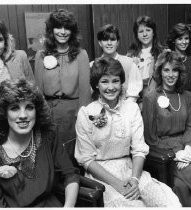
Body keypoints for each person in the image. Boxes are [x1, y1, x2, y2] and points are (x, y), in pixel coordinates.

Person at [74, 56, 181, 207]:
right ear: (96, 84)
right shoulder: (86, 114)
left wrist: (135, 180)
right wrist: (117, 184)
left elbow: (139, 150)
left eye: (115, 81)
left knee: (168, 203)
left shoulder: (132, 109)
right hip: (102, 176)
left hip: (131, 169)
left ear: (121, 82)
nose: (111, 87)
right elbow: (86, 159)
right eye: (104, 81)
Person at [142, 50, 191, 207]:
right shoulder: (150, 98)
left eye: (175, 70)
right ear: (160, 72)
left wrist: (186, 150)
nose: (171, 74)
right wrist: (175, 154)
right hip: (165, 153)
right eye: (166, 70)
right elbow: (150, 138)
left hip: (190, 148)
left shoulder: (186, 96)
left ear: (180, 73)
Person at [0, 79, 79, 207]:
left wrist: (68, 207)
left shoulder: (48, 136)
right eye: (14, 108)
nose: (23, 115)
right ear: (4, 113)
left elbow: (70, 175)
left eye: (29, 107)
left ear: (37, 110)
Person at [34, 9, 91, 144]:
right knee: (50, 152)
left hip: (73, 113)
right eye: (58, 27)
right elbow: (38, 91)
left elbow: (85, 91)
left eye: (67, 28)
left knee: (72, 153)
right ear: (51, 30)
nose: (63, 32)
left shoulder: (81, 54)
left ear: (73, 31)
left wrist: (81, 117)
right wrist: (41, 117)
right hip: (49, 112)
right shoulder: (40, 55)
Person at [90, 24, 143, 102]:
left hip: (125, 109)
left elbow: (133, 94)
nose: (109, 43)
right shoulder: (92, 65)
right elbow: (92, 93)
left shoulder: (129, 63)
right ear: (100, 43)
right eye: (105, 40)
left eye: (112, 39)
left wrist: (124, 110)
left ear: (117, 42)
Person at [166, 23, 191, 110]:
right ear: (174, 40)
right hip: (172, 104)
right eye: (180, 39)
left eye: (186, 38)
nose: (184, 42)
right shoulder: (168, 58)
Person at [127, 15, 163, 104]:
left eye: (148, 30)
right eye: (141, 31)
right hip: (135, 101)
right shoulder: (130, 55)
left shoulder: (162, 53)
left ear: (153, 32)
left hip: (157, 100)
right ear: (136, 35)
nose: (145, 34)